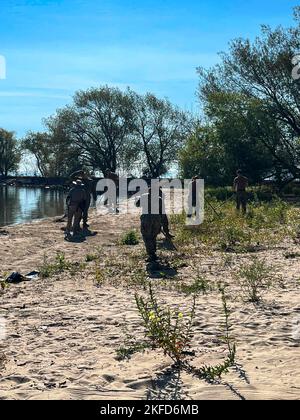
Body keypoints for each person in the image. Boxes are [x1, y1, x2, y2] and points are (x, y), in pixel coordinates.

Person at [137, 186, 174, 262]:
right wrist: (165, 228)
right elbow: (163, 214)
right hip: (156, 219)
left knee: (147, 237)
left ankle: (152, 254)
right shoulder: (159, 199)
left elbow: (137, 204)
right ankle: (153, 253)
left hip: (146, 219)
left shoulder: (144, 197)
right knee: (153, 237)